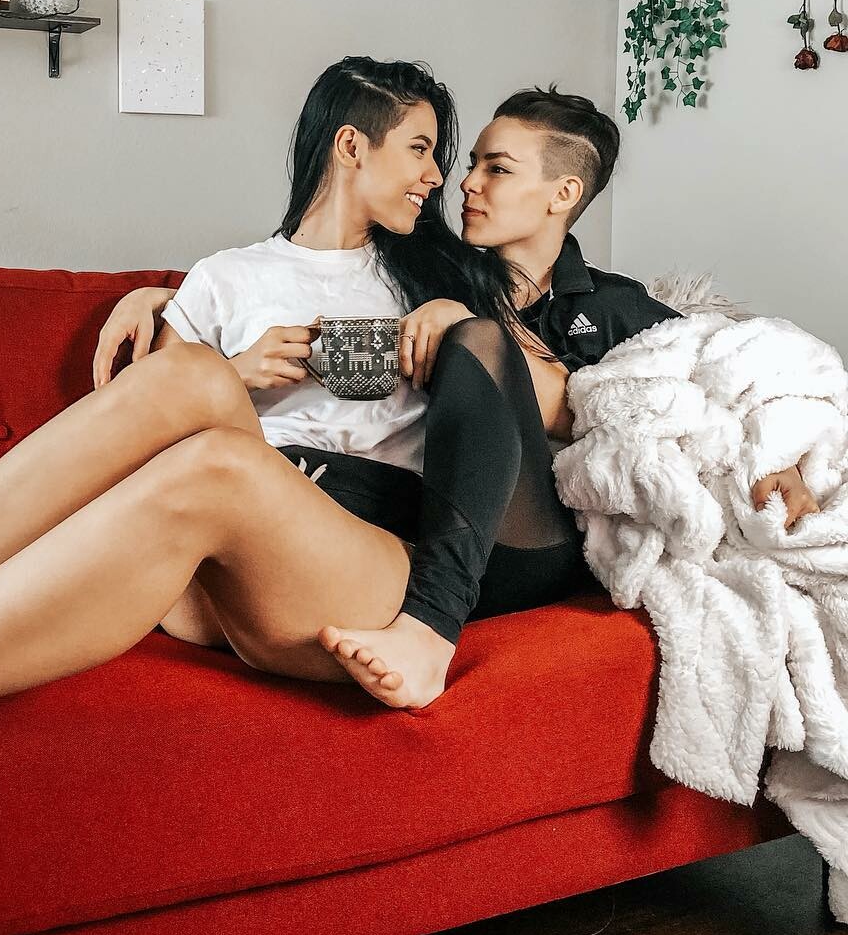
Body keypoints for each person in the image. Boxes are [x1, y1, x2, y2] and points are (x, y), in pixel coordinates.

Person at [0, 56, 575, 773]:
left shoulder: (444, 274)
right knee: (191, 377)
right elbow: (148, 429)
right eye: (421, 148)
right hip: (219, 556)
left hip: (361, 549)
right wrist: (230, 365)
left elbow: (547, 401)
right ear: (351, 146)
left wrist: (452, 318)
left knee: (219, 466)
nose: (437, 177)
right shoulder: (225, 277)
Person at [109, 84, 826, 706]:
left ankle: (429, 624)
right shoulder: (433, 272)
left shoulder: (614, 305)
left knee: (474, 338)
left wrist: (782, 457)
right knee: (291, 463)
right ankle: (225, 570)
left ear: (563, 194)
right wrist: (176, 306)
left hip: (542, 527)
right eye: (472, 163)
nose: (466, 183)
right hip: (430, 507)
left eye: (496, 168)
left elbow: (725, 374)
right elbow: (325, 323)